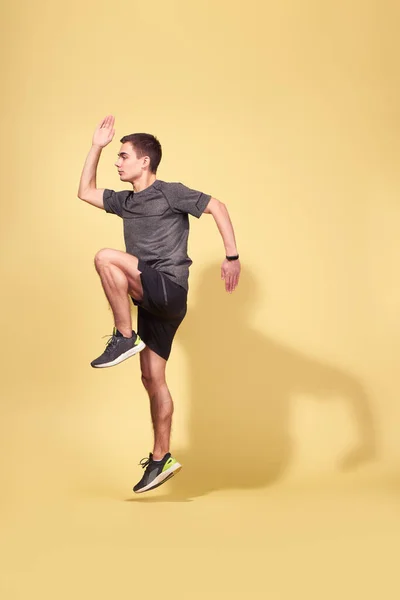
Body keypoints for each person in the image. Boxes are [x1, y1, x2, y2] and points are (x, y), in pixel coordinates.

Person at [77, 114, 241, 493]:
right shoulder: (124, 201)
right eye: (116, 157)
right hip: (153, 301)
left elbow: (217, 206)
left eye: (122, 156)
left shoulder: (169, 191)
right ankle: (160, 458)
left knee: (105, 258)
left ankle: (123, 335)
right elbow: (85, 191)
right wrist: (97, 146)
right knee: (152, 378)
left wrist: (231, 257)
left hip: (168, 288)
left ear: (144, 161)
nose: (117, 162)